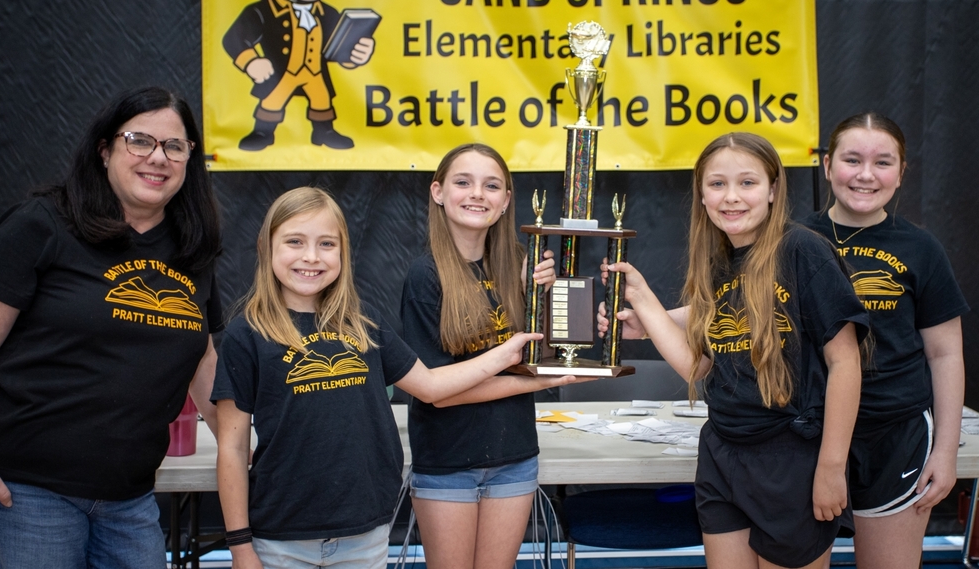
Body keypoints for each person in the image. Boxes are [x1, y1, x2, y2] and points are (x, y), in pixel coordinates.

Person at [212, 187, 541, 569]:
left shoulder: (365, 323)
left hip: (365, 536)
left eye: (326, 244)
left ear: (343, 252)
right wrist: (239, 547)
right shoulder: (246, 334)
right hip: (280, 540)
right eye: (295, 242)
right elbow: (232, 450)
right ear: (266, 247)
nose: (311, 257)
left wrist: (516, 360)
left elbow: (432, 386)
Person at [0, 87, 223, 568]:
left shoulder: (193, 250)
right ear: (105, 149)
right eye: (139, 141)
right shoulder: (43, 224)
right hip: (27, 498)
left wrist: (255, 452)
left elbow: (206, 361)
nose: (158, 157)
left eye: (175, 147)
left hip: (130, 503)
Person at [602, 132, 868, 569]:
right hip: (722, 455)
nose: (731, 197)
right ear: (701, 194)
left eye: (747, 183)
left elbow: (845, 364)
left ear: (773, 190)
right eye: (717, 184)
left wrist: (831, 467)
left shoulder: (803, 251)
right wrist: (645, 306)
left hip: (793, 460)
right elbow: (700, 365)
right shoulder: (717, 262)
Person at [401, 143, 586, 569]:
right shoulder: (425, 276)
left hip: (514, 458)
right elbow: (439, 392)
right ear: (438, 192)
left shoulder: (518, 266)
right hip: (448, 461)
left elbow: (545, 354)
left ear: (505, 201)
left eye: (491, 185)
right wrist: (535, 380)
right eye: (463, 182)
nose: (476, 194)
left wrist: (548, 301)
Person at [801, 113, 968, 569]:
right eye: (852, 160)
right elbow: (727, 305)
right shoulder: (794, 240)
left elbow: (946, 352)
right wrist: (644, 316)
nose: (866, 175)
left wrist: (946, 452)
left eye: (883, 162)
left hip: (895, 436)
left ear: (901, 172)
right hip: (806, 436)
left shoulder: (921, 248)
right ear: (828, 165)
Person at [224, 0, 375, 151]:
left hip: (314, 71)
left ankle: (324, 131)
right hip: (282, 73)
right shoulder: (262, 10)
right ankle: (263, 131)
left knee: (321, 97)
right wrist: (251, 61)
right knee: (273, 99)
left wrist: (355, 54)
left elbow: (339, 45)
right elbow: (234, 38)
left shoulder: (327, 13)